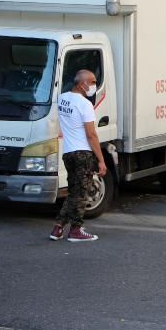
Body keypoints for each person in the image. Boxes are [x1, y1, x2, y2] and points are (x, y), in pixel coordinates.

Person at [49, 70, 106, 242]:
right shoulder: (85, 104)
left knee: (74, 192)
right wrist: (101, 160)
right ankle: (75, 230)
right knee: (81, 194)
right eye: (92, 82)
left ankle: (58, 228)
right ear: (82, 84)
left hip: (68, 153)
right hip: (83, 153)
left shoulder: (63, 98)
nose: (94, 86)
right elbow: (91, 134)